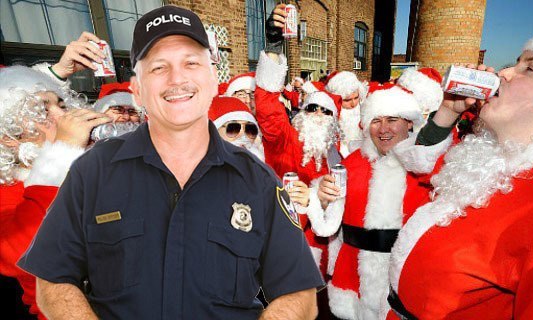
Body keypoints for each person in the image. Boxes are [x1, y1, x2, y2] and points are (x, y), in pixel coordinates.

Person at [18, 5, 323, 320]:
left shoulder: (257, 179)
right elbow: (52, 279)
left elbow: (299, 293)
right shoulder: (92, 170)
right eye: (158, 67)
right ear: (138, 90)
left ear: (211, 79)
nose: (177, 79)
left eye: (191, 63)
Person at [386, 19, 533, 319]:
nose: (503, 73)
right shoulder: (494, 154)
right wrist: (447, 112)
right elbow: (419, 177)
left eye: (530, 68)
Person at [307, 69, 447, 320]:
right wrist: (323, 199)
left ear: (409, 122)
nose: (383, 129)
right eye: (375, 120)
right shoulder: (351, 164)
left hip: (404, 280)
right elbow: (329, 220)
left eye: (392, 119)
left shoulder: (425, 164)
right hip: (352, 281)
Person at [0, 60, 111, 318]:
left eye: (60, 105)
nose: (62, 115)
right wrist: (61, 152)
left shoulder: (90, 168)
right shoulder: (7, 192)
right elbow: (21, 254)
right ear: (9, 136)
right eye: (42, 110)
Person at [325, 71, 367, 157]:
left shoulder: (365, 110)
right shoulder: (330, 116)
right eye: (347, 100)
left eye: (356, 98)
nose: (353, 103)